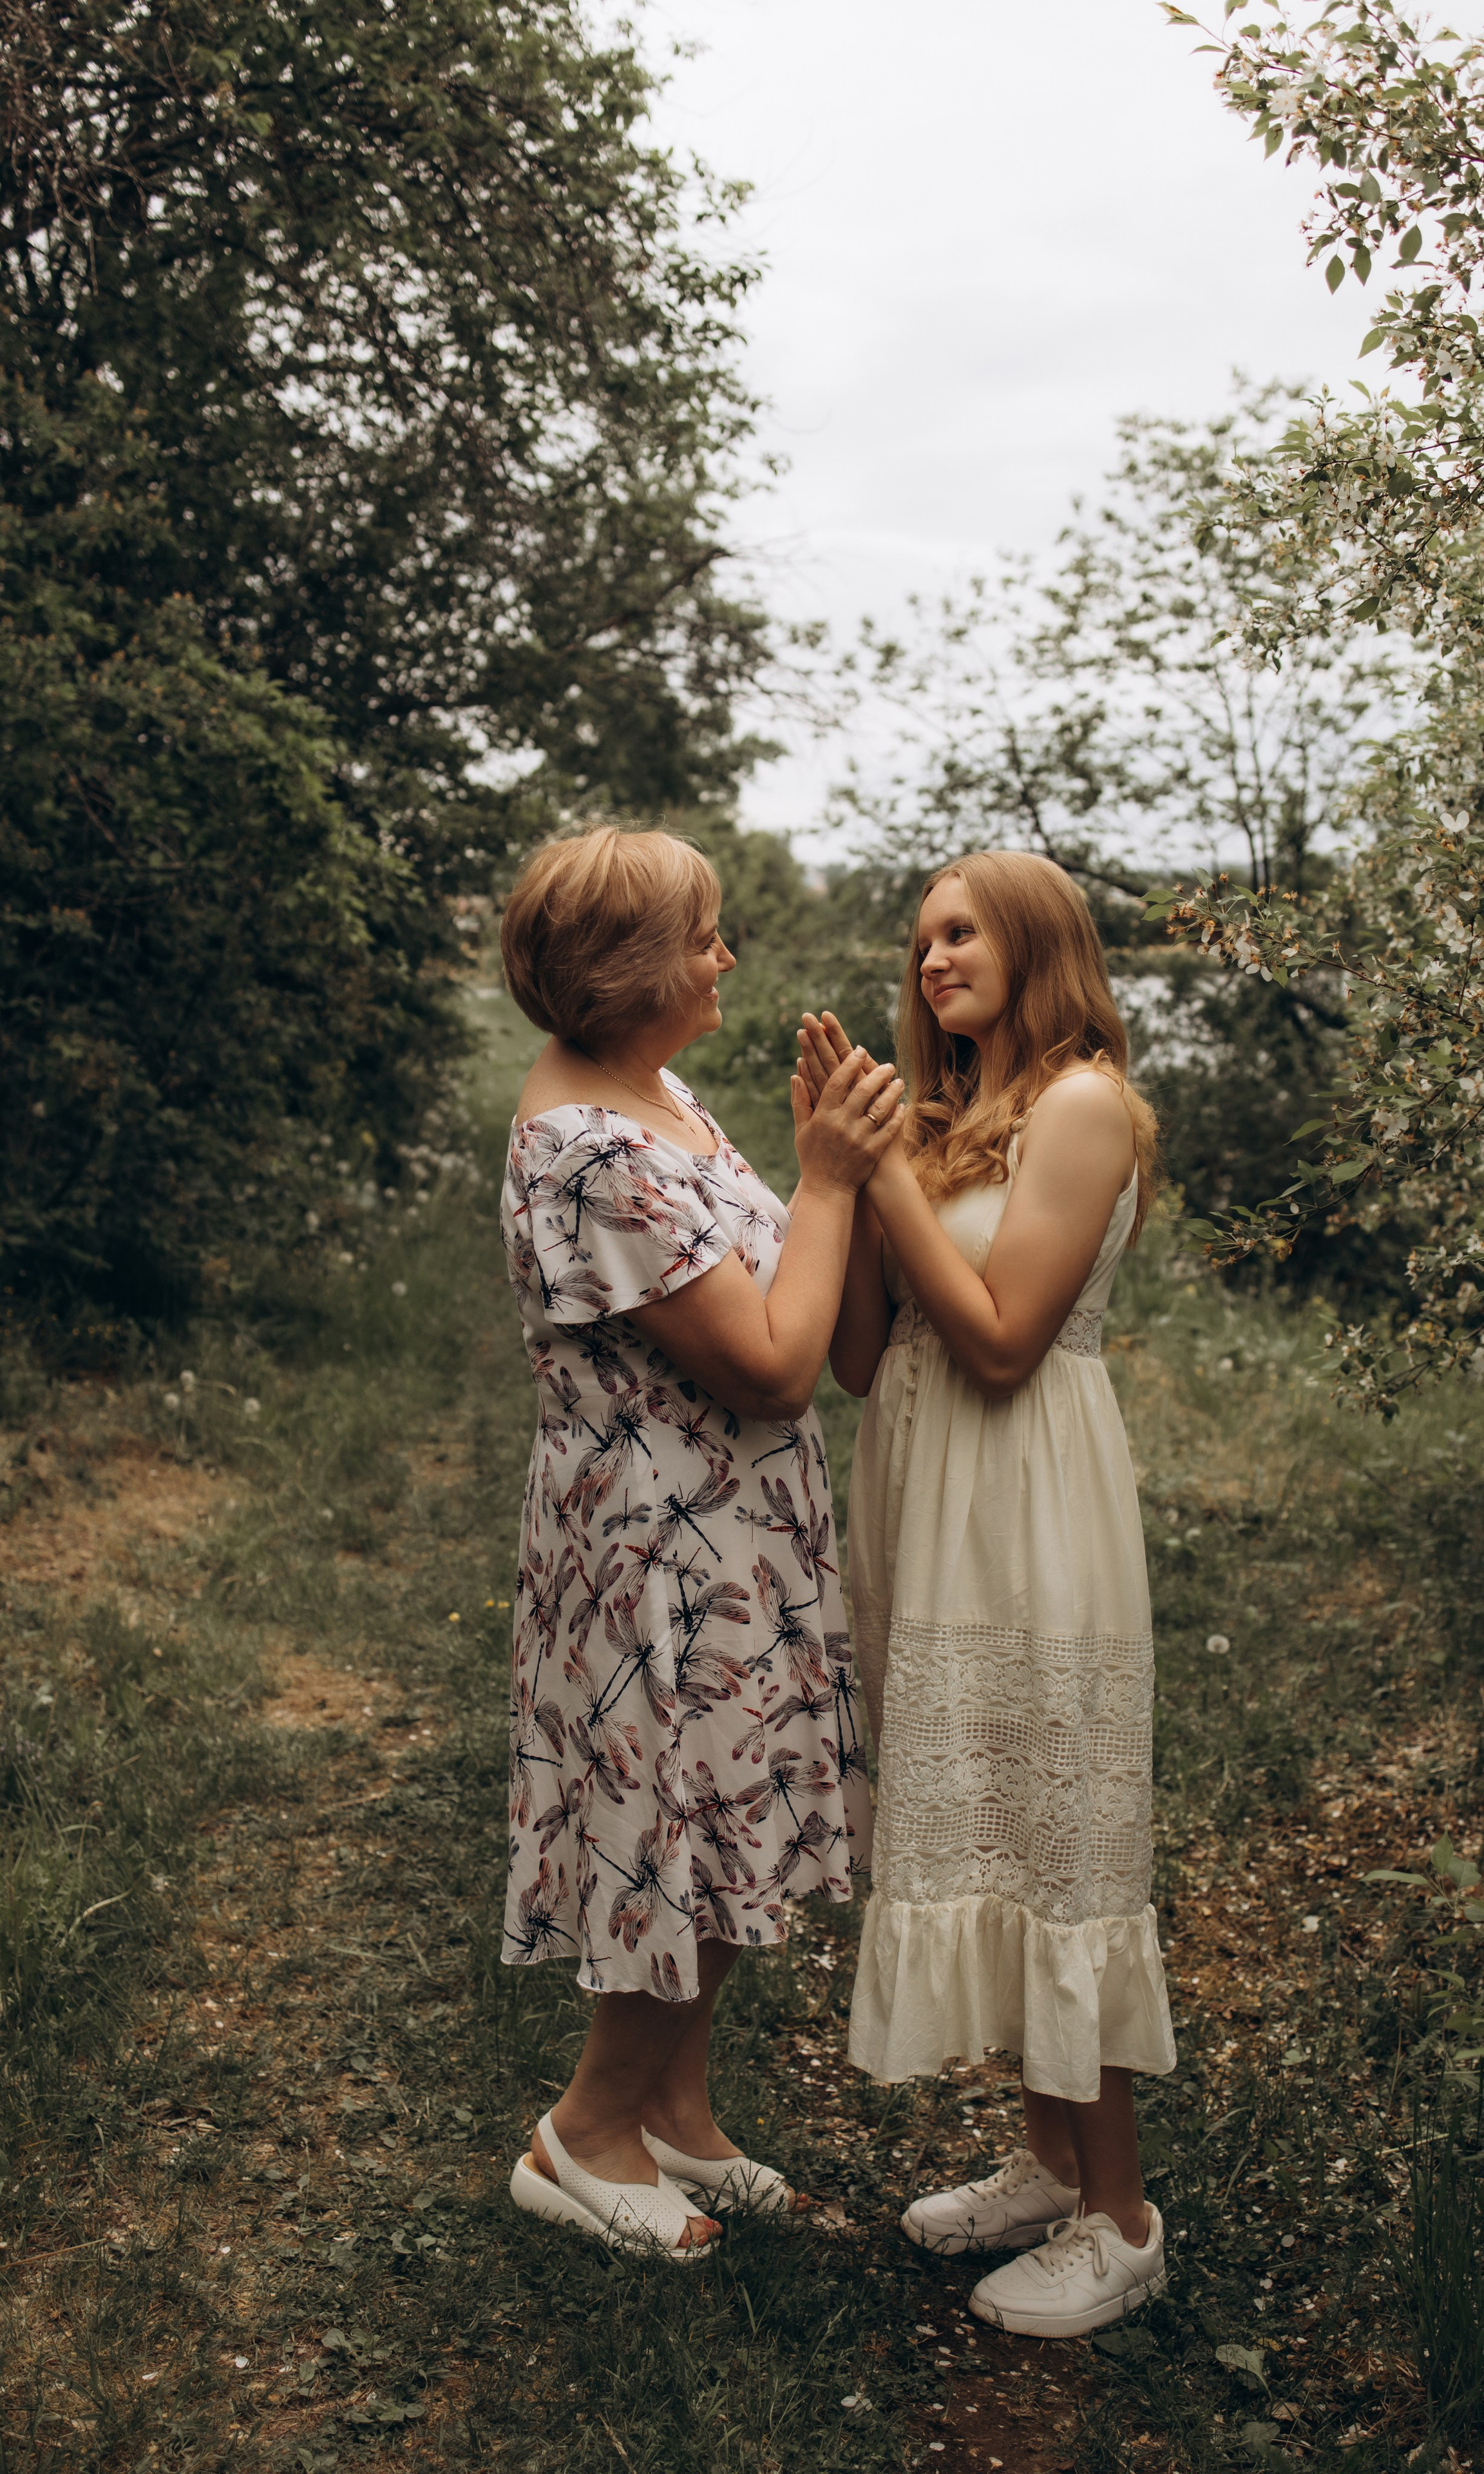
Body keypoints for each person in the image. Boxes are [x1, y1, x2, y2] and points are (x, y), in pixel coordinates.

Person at [497, 824, 903, 2260]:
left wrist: (848, 1181)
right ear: (627, 974)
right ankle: (582, 2134)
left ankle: (675, 2111)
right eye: (703, 937)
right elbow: (773, 1364)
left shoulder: (654, 1092)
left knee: (728, 1835)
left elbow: (773, 1271)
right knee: (685, 1832)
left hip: (732, 1536)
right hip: (661, 1555)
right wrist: (837, 1174)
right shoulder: (591, 1150)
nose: (725, 956)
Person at [795, 850, 1176, 2337]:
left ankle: (1122, 2215)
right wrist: (835, 1165)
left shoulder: (1082, 1104)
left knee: (1062, 1837)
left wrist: (884, 1170)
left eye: (958, 931)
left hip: (1028, 1507)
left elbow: (1006, 1338)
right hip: (928, 1505)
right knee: (997, 1819)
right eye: (918, 940)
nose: (931, 957)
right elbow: (853, 1354)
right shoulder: (950, 1125)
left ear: (1032, 941)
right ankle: (1041, 2160)